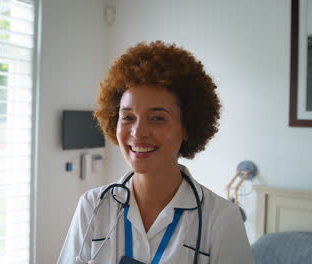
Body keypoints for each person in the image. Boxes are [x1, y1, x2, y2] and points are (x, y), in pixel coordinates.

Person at [57, 41, 254, 264]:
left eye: (157, 118)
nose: (138, 132)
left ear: (187, 127)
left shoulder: (220, 218)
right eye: (128, 117)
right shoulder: (93, 206)